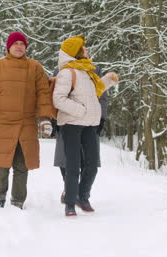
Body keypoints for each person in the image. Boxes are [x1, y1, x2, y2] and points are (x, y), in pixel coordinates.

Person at [0, 32, 53, 210]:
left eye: (22, 44)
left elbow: (43, 95)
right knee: (1, 165)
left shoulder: (35, 68)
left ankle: (17, 202)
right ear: (8, 47)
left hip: (26, 124)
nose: (19, 46)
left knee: (22, 166)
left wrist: (45, 119)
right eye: (16, 44)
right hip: (1, 124)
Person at [52, 35, 116, 217]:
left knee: (92, 164)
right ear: (76, 51)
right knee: (72, 165)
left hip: (89, 124)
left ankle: (82, 196)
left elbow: (94, 92)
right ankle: (70, 203)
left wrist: (108, 80)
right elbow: (58, 99)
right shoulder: (66, 72)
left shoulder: (88, 70)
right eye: (84, 48)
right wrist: (79, 111)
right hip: (72, 124)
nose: (87, 50)